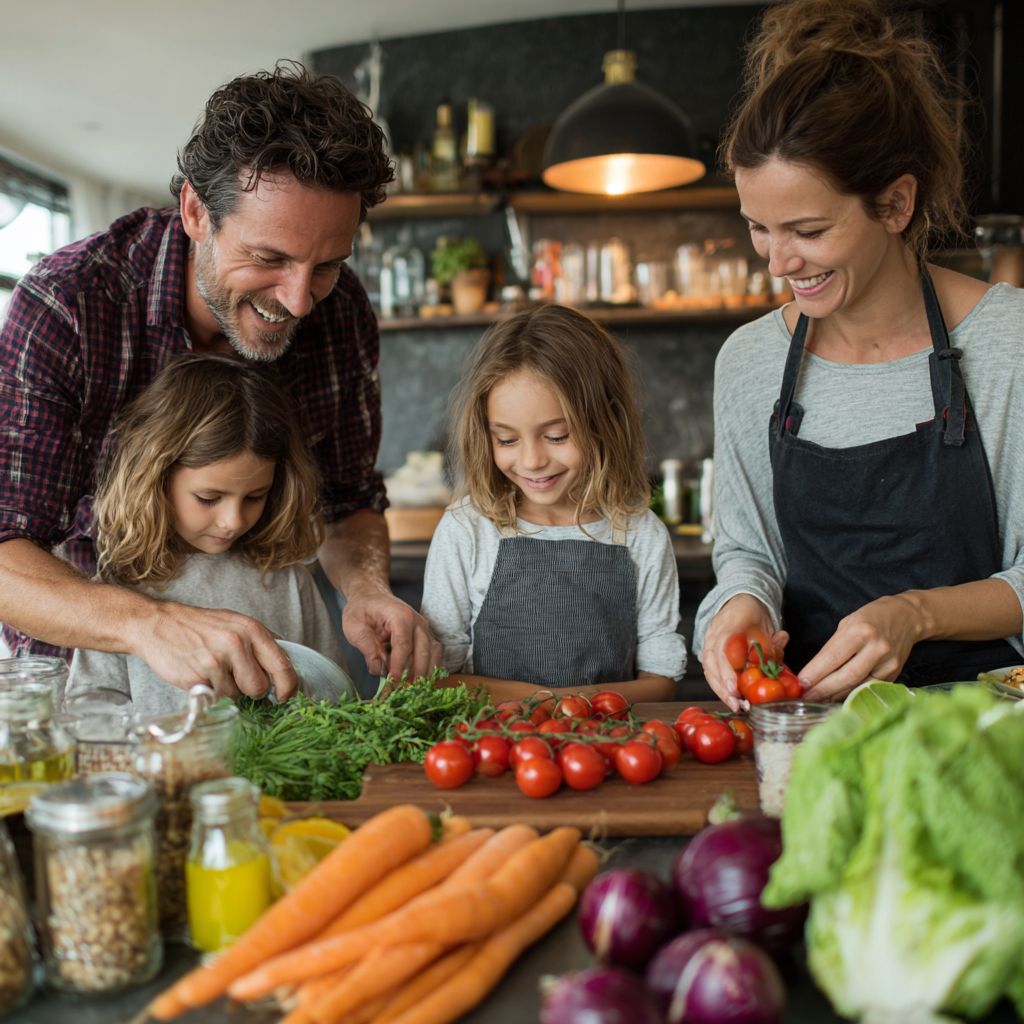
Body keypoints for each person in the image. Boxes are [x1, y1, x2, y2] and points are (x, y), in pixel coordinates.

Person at [0, 63, 440, 701]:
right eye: (268, 258)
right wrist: (152, 624)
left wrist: (367, 589)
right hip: (81, 689)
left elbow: (348, 502)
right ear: (195, 212)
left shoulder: (340, 310)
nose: (298, 301)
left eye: (326, 265)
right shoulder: (69, 303)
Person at [695, 0, 1024, 711]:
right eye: (759, 228)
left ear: (896, 204)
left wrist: (916, 614)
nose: (779, 263)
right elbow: (749, 554)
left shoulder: (1009, 344)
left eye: (808, 230)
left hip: (987, 728)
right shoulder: (749, 362)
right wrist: (742, 604)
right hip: (811, 729)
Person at [421, 305, 685, 704]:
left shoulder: (640, 533)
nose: (531, 461)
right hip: (494, 739)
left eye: (558, 436)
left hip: (604, 740)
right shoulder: (467, 529)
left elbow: (660, 682)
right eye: (506, 440)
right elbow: (439, 679)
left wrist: (564, 705)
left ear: (606, 422)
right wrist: (553, 702)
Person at [65, 355, 342, 716]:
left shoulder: (289, 579)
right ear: (156, 480)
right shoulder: (118, 593)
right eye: (209, 498)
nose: (232, 521)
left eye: (255, 497)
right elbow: (89, 711)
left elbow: (334, 694)